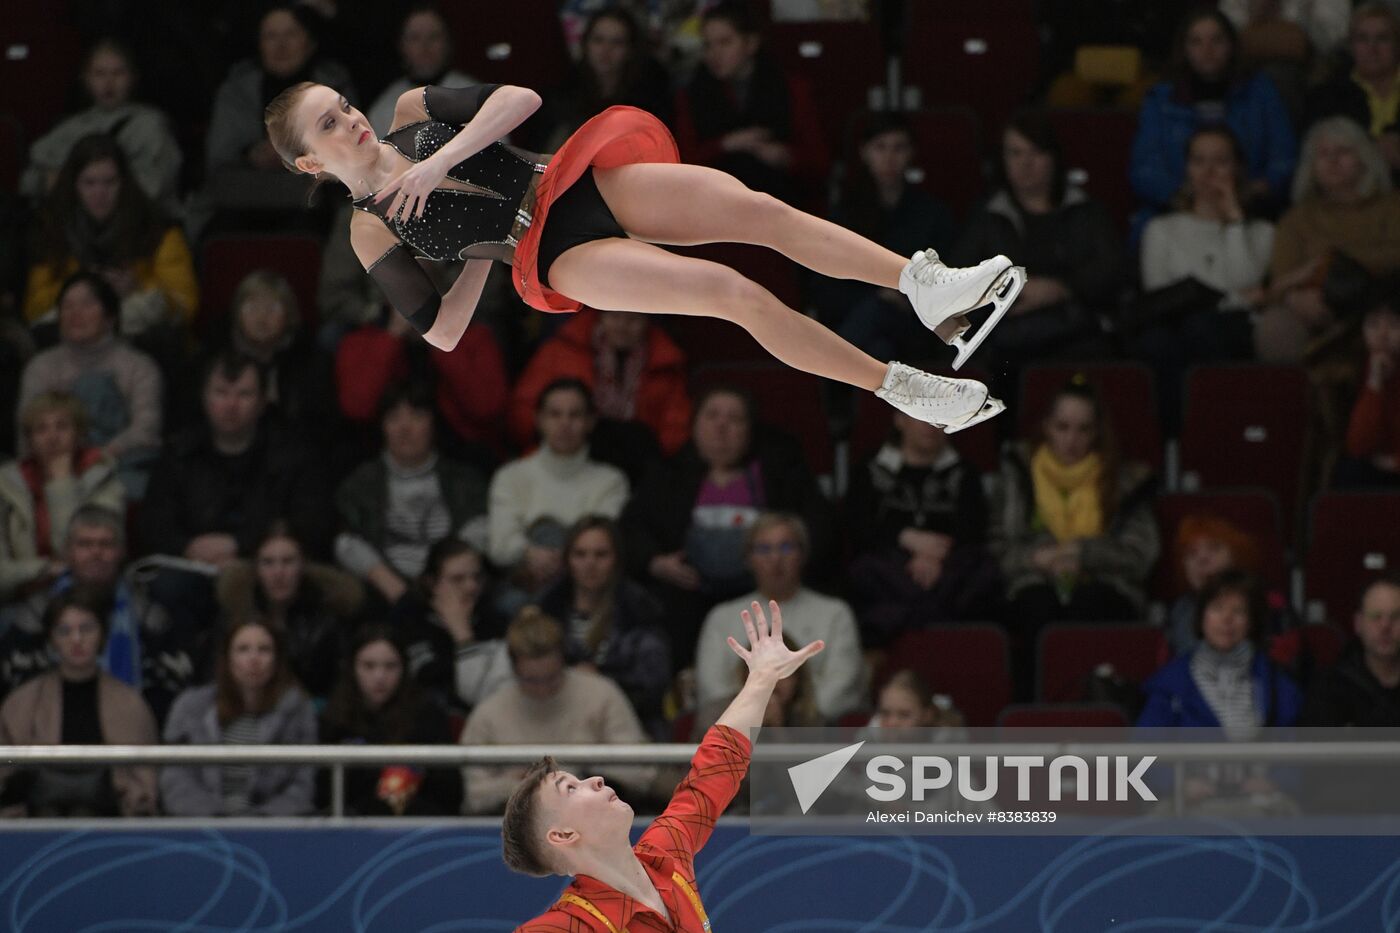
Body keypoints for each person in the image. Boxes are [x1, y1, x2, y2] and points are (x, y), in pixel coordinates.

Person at [262, 73, 1027, 435]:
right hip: (551, 253)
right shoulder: (368, 232)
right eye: (329, 125)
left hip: (571, 179)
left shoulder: (410, 112)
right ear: (308, 163)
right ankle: (902, 388)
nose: (352, 121)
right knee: (734, 293)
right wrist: (472, 255)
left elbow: (523, 100)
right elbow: (442, 333)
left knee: (758, 209)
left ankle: (927, 286)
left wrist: (435, 163)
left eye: (343, 106)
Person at [502, 599, 823, 930]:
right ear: (563, 834)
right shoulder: (558, 928)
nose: (594, 779)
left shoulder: (665, 854)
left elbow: (714, 771)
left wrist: (762, 679)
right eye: (570, 788)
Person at [621, 386, 837, 667]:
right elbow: (629, 528)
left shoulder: (780, 471)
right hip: (690, 593)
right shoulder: (667, 474)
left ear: (750, 430)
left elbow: (819, 529)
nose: (722, 427)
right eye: (712, 416)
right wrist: (656, 562)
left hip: (765, 590)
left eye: (734, 419)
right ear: (694, 426)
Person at [990, 380, 1160, 695]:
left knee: (1090, 605)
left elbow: (1141, 555)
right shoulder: (1017, 474)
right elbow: (996, 549)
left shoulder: (1127, 481)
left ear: (1097, 433)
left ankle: (1097, 707)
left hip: (1107, 586)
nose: (1072, 439)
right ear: (1046, 428)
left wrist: (1082, 554)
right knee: (1035, 607)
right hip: (1031, 583)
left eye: (1083, 429)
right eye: (1062, 427)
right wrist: (1036, 559)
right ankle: (1035, 715)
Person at [948, 111, 1122, 397]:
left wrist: (1062, 289)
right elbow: (958, 279)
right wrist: (1011, 292)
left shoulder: (1086, 212)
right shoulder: (988, 217)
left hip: (1077, 330)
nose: (1025, 164)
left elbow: (1113, 271)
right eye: (1015, 153)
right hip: (1007, 336)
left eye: (1035, 152)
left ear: (1054, 157)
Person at [0, 505, 197, 724]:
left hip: (130, 732)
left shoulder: (148, 613)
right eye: (85, 544)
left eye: (106, 544)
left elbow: (172, 685)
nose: (96, 553)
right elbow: (15, 680)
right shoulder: (38, 611)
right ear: (68, 551)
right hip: (48, 730)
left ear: (122, 551)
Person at [1134, 126, 1275, 427]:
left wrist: (1235, 222)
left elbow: (1244, 280)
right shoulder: (1161, 229)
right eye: (1199, 161)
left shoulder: (1262, 233)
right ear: (1187, 168)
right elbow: (1161, 296)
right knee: (1156, 342)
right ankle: (1173, 442)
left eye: (1220, 161)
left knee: (1203, 327)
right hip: (1174, 326)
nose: (1209, 171)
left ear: (1237, 167)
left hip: (1232, 331)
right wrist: (1235, 299)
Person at [140, 350, 333, 565]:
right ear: (204, 398)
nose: (231, 405)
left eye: (244, 394)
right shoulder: (178, 452)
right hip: (191, 567)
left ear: (262, 403)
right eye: (221, 393)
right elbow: (154, 524)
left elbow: (312, 527)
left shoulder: (294, 455)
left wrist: (241, 544)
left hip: (269, 570)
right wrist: (188, 548)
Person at [459, 606, 654, 815]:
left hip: (594, 818)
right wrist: (519, 786)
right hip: (512, 825)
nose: (543, 690)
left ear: (563, 659)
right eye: (531, 681)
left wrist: (576, 781)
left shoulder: (602, 694)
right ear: (514, 669)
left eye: (551, 678)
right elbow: (475, 795)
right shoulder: (489, 713)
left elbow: (638, 773)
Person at [844, 411, 1002, 648]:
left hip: (947, 568)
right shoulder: (870, 469)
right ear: (899, 420)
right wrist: (905, 537)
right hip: (893, 569)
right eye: (921, 416)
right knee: (863, 570)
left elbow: (973, 530)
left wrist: (934, 556)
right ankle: (936, 622)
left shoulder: (965, 471)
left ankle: (907, 618)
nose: (931, 425)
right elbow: (858, 526)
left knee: (982, 570)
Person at [0, 588, 159, 817]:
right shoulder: (21, 703)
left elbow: (144, 784)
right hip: (35, 826)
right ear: (51, 639)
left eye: (86, 628)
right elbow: (5, 775)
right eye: (64, 631)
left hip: (110, 824)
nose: (76, 639)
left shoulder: (130, 704)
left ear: (102, 634)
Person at [1129, 7, 1298, 223]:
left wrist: (1254, 191)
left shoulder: (1261, 92)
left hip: (1250, 209)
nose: (1207, 50)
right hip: (1176, 211)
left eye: (1216, 41)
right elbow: (1145, 169)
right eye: (1196, 42)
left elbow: (1284, 158)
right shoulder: (1161, 99)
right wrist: (1182, 197)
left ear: (1231, 46)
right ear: (1184, 49)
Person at [695, 513, 864, 722]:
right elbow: (714, 691)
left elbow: (842, 687)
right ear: (748, 559)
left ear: (802, 554)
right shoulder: (721, 618)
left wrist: (793, 721)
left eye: (786, 547)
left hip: (816, 738)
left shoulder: (836, 613)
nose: (775, 559)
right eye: (764, 549)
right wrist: (754, 714)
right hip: (737, 736)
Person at [26, 132, 196, 336]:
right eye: (89, 183)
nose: (99, 193)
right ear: (74, 185)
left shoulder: (158, 230)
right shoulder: (53, 230)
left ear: (123, 183)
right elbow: (32, 310)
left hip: (138, 336)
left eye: (109, 182)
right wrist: (77, 287)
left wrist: (137, 287)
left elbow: (186, 306)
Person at [1260, 116, 1400, 363]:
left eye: (1343, 151)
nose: (1333, 160)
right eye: (1324, 154)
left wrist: (1330, 260)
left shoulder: (1392, 206)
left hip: (1385, 303)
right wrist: (1294, 299)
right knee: (1276, 325)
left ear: (1365, 158)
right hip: (1317, 310)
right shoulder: (1297, 219)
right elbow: (1281, 281)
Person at [819, 113, 958, 362]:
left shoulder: (932, 213)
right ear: (864, 152)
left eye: (899, 148)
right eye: (880, 147)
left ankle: (829, 367)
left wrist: (904, 298)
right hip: (859, 317)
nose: (889, 158)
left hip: (916, 322)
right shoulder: (845, 214)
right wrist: (878, 296)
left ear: (911, 153)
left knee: (876, 328)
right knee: (880, 348)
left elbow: (948, 278)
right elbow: (826, 288)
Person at [336, 380, 488, 604]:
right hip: (386, 595)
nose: (404, 428)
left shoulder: (464, 480)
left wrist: (446, 583)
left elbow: (479, 530)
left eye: (416, 416)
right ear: (382, 427)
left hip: (458, 590)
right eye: (393, 418)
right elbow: (347, 543)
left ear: (433, 424)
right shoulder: (361, 484)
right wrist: (396, 590)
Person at [204, 4, 358, 221]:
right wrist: (253, 153)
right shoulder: (236, 90)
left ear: (310, 43)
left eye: (291, 34)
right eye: (271, 36)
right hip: (244, 204)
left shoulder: (336, 85)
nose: (281, 45)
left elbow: (354, 154)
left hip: (321, 205)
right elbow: (219, 157)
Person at [17, 272, 163, 498]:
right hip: (53, 468)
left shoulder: (139, 366)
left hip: (118, 467)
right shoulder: (41, 367)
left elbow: (146, 429)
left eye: (87, 304)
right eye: (67, 306)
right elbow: (26, 431)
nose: (76, 313)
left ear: (110, 317)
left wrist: (97, 459)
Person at [160, 617, 318, 817]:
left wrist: (261, 820)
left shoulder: (297, 711)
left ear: (277, 659)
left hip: (274, 831)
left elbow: (302, 783)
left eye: (264, 650)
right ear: (227, 658)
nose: (254, 659)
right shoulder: (191, 708)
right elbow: (176, 778)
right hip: (204, 830)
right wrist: (215, 818)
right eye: (243, 649)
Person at [673, 1, 827, 204]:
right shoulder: (693, 94)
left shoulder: (790, 89)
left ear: (751, 43)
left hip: (782, 203)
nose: (714, 54)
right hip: (714, 207)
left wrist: (785, 157)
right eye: (708, 45)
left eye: (725, 42)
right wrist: (726, 144)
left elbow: (819, 161)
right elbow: (681, 163)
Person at [487, 380, 628, 590]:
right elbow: (500, 548)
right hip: (524, 585)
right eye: (555, 414)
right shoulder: (511, 476)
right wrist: (532, 554)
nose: (565, 423)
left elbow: (600, 549)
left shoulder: (611, 481)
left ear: (590, 421)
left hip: (585, 588)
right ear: (539, 420)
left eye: (575, 415)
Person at [538, 516, 671, 739]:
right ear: (567, 560)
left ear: (616, 560)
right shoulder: (545, 613)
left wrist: (599, 684)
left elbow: (652, 690)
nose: (590, 563)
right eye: (580, 554)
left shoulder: (641, 613)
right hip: (555, 725)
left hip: (626, 729)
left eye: (601, 554)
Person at [20, 37, 183, 212]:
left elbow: (154, 188)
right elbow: (29, 180)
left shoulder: (151, 125)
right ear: (86, 79)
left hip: (136, 226)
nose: (108, 83)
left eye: (118, 73)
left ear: (133, 78)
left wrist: (77, 186)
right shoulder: (72, 126)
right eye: (100, 73)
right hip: (78, 226)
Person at [318, 624, 462, 815]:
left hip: (415, 829)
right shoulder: (333, 719)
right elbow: (321, 794)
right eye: (368, 666)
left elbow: (451, 792)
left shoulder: (427, 715)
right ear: (352, 668)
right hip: (348, 829)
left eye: (390, 666)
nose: (380, 676)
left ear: (404, 668)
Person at [509, 309, 691, 456]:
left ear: (648, 322)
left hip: (637, 460)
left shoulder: (665, 363)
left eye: (632, 319)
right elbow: (525, 409)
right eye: (614, 316)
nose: (622, 326)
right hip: (562, 452)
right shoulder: (560, 351)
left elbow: (675, 426)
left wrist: (655, 456)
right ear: (599, 316)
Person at [1138, 569, 1303, 730]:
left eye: (1238, 611)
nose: (1227, 619)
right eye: (1217, 608)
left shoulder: (1278, 684)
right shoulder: (1169, 686)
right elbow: (1143, 752)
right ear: (1202, 616)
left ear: (1252, 622)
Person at [215, 522, 362, 701]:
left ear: (303, 565)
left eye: (288, 561)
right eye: (268, 562)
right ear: (256, 569)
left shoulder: (328, 620)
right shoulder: (236, 618)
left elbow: (339, 689)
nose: (278, 572)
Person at [0, 393, 123, 602]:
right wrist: (45, 569)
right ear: (29, 440)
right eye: (41, 429)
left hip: (88, 598)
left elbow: (77, 555)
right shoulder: (6, 485)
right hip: (20, 599)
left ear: (79, 435)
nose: (52, 437)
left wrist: (61, 483)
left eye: (62, 427)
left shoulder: (103, 481)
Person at [214, 269, 337, 443]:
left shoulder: (310, 360)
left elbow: (321, 425)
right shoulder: (215, 359)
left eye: (272, 307)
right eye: (252, 307)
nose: (262, 317)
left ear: (289, 314)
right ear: (236, 312)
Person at [529, 7, 673, 154]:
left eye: (617, 42)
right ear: (586, 44)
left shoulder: (648, 100)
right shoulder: (560, 98)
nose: (606, 50)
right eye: (598, 40)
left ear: (630, 50)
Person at [388, 537, 497, 714]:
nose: (471, 586)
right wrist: (462, 635)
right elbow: (426, 676)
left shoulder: (492, 615)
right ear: (432, 584)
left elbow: (490, 685)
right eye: (458, 579)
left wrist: (462, 632)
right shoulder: (408, 614)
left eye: (476, 577)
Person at [1303, 4, 1400, 176]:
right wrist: (1372, 151)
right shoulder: (1326, 95)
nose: (1372, 48)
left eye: (1382, 38)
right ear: (1351, 46)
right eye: (1363, 39)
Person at [1300, 574, 1400, 725]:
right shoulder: (1330, 688)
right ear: (1358, 624)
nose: (1385, 626)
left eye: (1396, 616)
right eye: (1375, 616)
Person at [366, 5, 477, 137]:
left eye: (433, 36)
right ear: (401, 45)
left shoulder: (475, 98)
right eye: (415, 38)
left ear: (447, 42)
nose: (425, 46)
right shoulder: (384, 110)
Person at [1337, 295, 1400, 487]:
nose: (1382, 334)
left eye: (1393, 325)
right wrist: (1374, 383)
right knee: (1350, 472)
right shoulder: (1361, 370)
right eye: (1373, 325)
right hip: (1377, 466)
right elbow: (1359, 445)